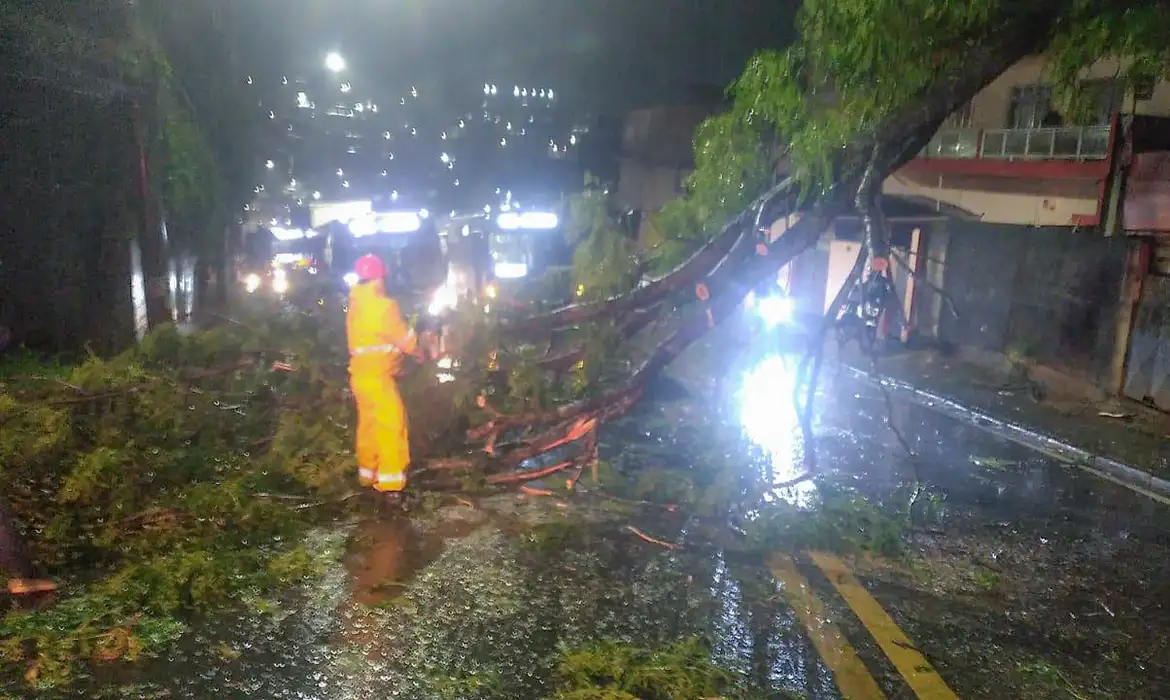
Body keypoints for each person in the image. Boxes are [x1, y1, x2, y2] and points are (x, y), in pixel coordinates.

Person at [346, 254, 422, 501]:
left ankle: (367, 474)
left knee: (368, 426)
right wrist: (420, 352)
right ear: (380, 277)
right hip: (379, 378)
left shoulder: (356, 305)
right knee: (392, 425)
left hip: (360, 377)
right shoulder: (383, 306)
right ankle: (390, 483)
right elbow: (403, 338)